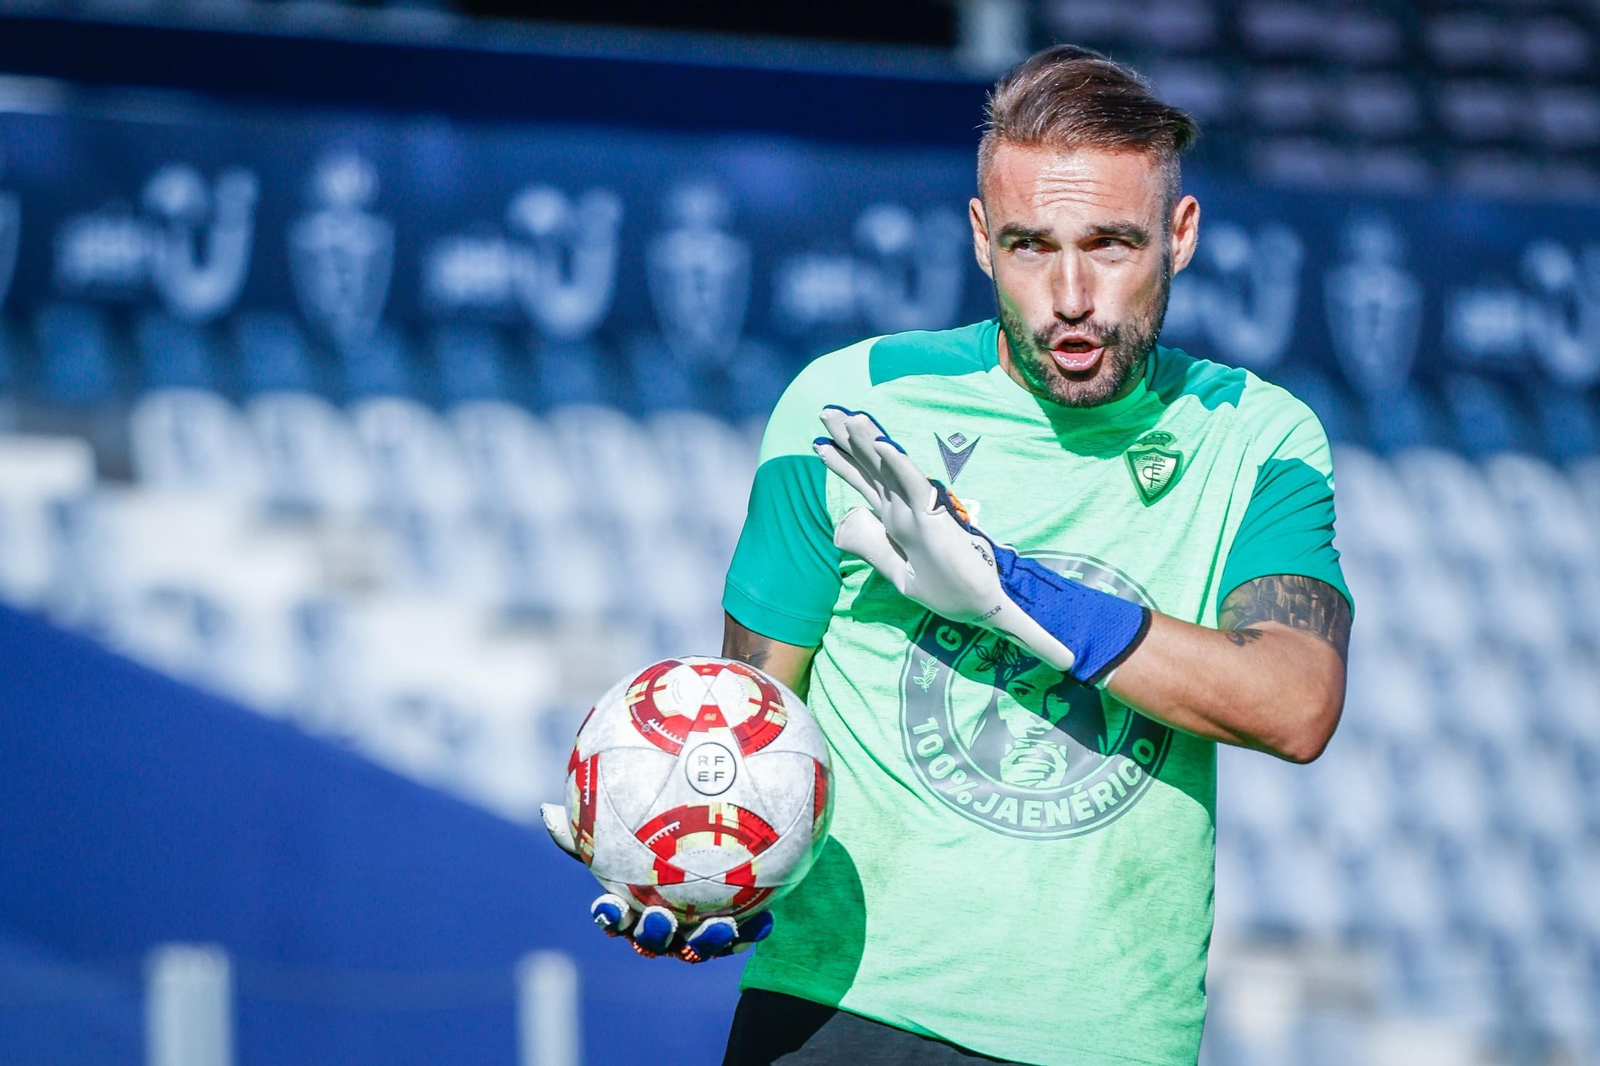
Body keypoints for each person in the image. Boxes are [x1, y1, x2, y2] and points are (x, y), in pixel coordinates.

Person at [558, 43, 1354, 1066]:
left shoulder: (1254, 434)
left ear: (1181, 233)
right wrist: (697, 872)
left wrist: (1001, 588)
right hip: (837, 1015)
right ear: (981, 239)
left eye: (1111, 244)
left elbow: (1293, 703)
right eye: (1030, 246)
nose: (1070, 294)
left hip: (1102, 1042)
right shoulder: (845, 409)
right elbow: (754, 725)